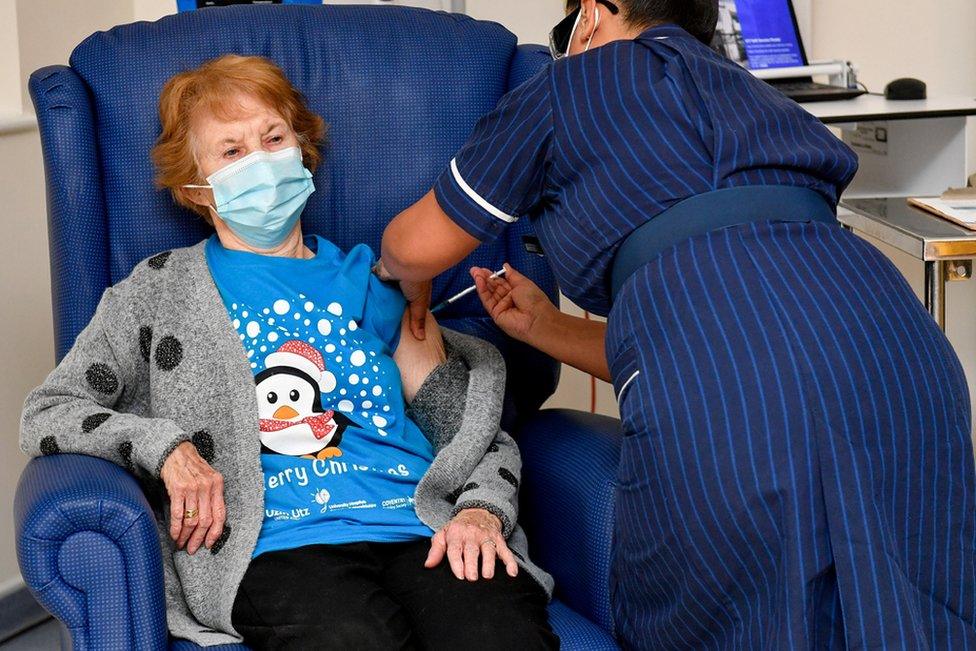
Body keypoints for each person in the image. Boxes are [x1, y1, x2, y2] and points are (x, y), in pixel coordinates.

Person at [378, 1, 976, 649]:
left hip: (730, 384)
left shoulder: (565, 87)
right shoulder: (758, 96)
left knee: (730, 622)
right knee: (912, 614)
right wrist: (546, 328)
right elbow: (759, 322)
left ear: (595, 13)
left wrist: (399, 277)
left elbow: (414, 247)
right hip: (899, 351)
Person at [20, 55, 558, 650]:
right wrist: (165, 448)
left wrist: (482, 511)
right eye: (230, 151)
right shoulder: (158, 291)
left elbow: (468, 429)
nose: (260, 161)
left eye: (273, 137)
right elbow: (49, 412)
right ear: (195, 188)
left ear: (301, 148)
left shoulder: (374, 283)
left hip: (418, 525)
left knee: (501, 635)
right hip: (276, 545)